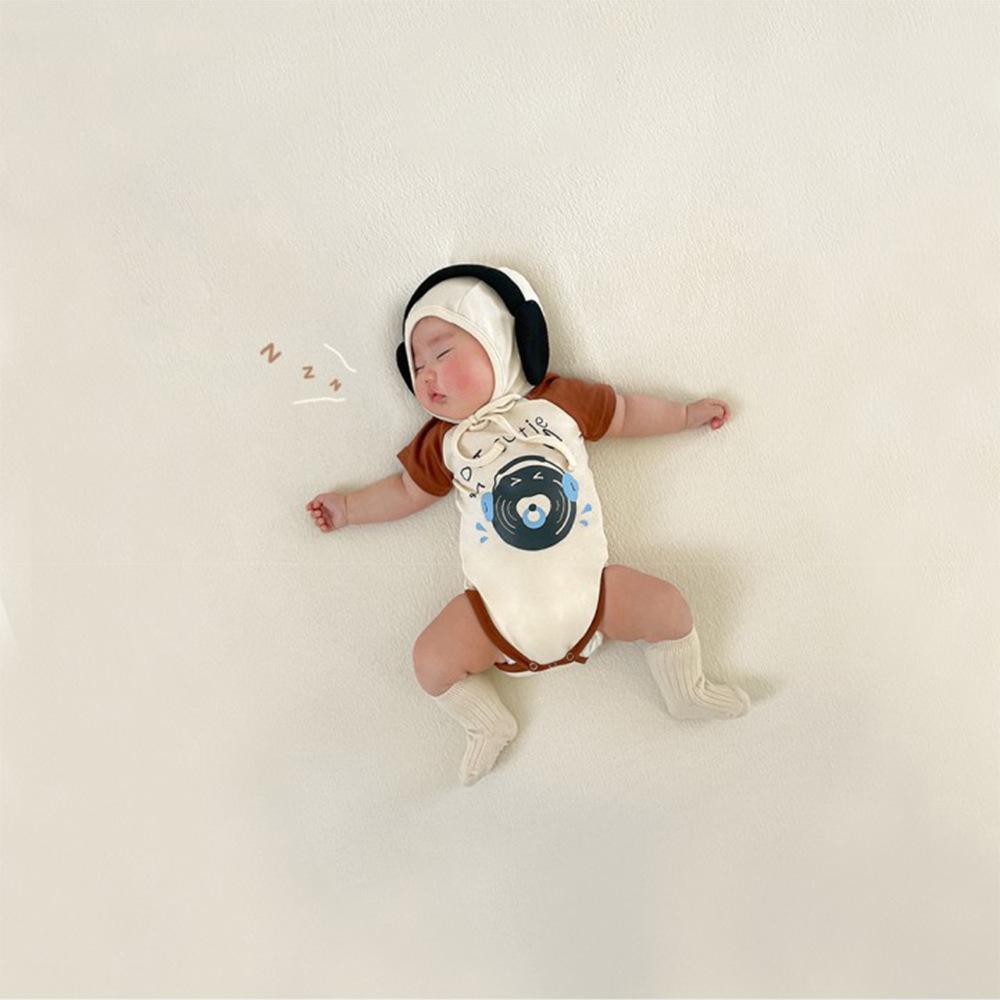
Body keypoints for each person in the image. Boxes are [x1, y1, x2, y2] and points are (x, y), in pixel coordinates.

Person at [306, 265, 750, 786]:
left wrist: (685, 415)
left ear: (500, 340)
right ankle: (487, 723)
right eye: (417, 365)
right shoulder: (443, 443)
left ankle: (687, 692)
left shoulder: (557, 402)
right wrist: (348, 508)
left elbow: (627, 413)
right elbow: (405, 491)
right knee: (430, 661)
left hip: (595, 597)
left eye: (442, 353)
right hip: (495, 620)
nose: (426, 374)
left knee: (666, 606)